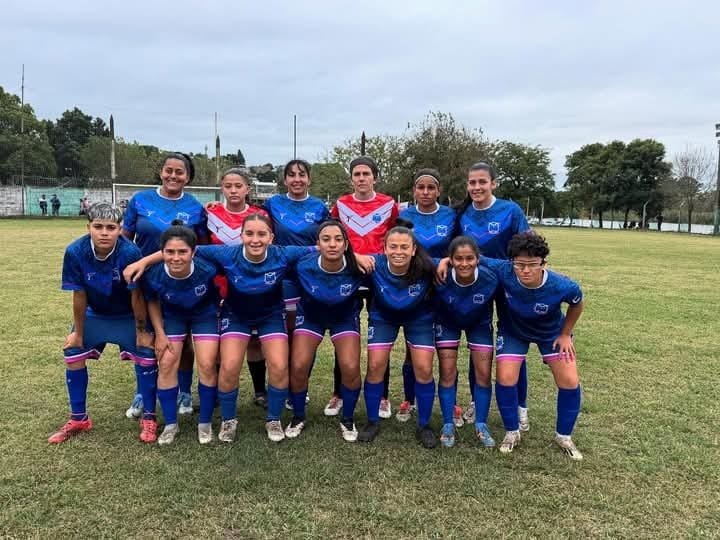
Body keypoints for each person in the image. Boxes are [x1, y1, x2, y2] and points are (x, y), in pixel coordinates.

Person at [199, 214, 315, 443]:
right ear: (241, 235)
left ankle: (274, 419)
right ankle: (228, 420)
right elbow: (184, 248)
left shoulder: (282, 253)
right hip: (236, 316)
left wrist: (358, 256)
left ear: (271, 237)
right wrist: (142, 262)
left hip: (270, 316)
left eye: (262, 234)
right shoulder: (227, 253)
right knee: (229, 366)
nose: (255, 239)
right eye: (249, 233)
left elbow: (322, 248)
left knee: (279, 365)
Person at [48, 203, 157, 444]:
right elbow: (79, 294)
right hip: (95, 313)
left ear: (120, 229)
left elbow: (137, 295)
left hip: (126, 315)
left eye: (111, 227)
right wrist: (77, 332)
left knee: (147, 353)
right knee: (73, 352)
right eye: (98, 227)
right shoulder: (75, 251)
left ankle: (149, 417)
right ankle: (79, 418)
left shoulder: (130, 252)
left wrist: (142, 331)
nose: (104, 233)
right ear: (88, 227)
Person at [483, 232, 585, 459]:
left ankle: (564, 436)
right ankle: (512, 432)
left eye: (532, 265)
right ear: (512, 262)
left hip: (551, 334)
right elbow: (472, 256)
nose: (525, 270)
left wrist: (565, 334)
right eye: (520, 265)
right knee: (505, 377)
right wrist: (446, 260)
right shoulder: (504, 270)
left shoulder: (562, 285)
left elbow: (577, 303)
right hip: (513, 332)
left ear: (543, 263)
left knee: (569, 380)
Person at [122, 152, 207, 420]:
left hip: (180, 282)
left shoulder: (195, 207)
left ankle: (184, 391)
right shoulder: (140, 200)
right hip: (143, 280)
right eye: (168, 170)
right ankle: (142, 391)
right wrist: (129, 269)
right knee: (145, 336)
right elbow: (125, 239)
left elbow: (198, 247)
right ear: (161, 172)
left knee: (182, 339)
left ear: (188, 177)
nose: (173, 175)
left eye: (179, 172)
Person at [455, 161, 531, 430]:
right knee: (479, 345)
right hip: (476, 287)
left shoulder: (510, 210)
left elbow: (527, 246)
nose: (477, 187)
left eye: (482, 182)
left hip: (510, 286)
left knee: (513, 346)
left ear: (493, 183)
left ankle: (521, 407)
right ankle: (477, 401)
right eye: (472, 182)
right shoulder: (462, 214)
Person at [329, 156, 399, 419]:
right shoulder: (340, 205)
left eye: (366, 174)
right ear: (351, 178)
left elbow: (395, 237)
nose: (361, 178)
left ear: (374, 177)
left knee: (381, 335)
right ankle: (338, 393)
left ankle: (382, 396)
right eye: (356, 174)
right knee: (343, 333)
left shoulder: (389, 204)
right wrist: (354, 256)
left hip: (379, 275)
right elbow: (333, 235)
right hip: (348, 274)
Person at [140, 222, 221, 445]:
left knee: (207, 364)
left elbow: (223, 289)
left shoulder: (208, 269)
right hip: (173, 318)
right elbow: (152, 302)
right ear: (162, 252)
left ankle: (205, 423)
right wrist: (160, 333)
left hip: (204, 315)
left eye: (182, 252)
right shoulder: (154, 274)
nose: (176, 258)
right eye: (170, 252)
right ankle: (170, 424)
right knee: (166, 363)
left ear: (193, 252)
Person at [358, 226, 437, 448]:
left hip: (419, 319)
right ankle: (372, 421)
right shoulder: (374, 264)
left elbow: (453, 261)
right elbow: (342, 256)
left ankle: (424, 425)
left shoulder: (427, 266)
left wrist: (447, 261)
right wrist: (356, 255)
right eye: (393, 246)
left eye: (404, 247)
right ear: (384, 248)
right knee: (375, 365)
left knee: (424, 368)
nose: (398, 252)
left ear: (414, 250)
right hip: (383, 318)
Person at [286, 220, 364, 442]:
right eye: (326, 239)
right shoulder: (302, 265)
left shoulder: (358, 267)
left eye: (338, 239)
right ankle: (298, 416)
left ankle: (347, 418)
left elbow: (391, 264)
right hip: (311, 319)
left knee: (350, 366)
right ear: (317, 244)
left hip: (344, 319)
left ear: (346, 245)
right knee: (298, 365)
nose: (332, 244)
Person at [263, 160, 330, 410]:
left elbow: (329, 237)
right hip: (281, 277)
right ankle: (280, 386)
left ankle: (300, 388)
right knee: (282, 334)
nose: (297, 179)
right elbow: (250, 217)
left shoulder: (320, 207)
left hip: (310, 278)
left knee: (303, 335)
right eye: (291, 175)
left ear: (309, 179)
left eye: (302, 175)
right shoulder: (273, 204)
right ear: (285, 180)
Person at [396, 168, 458, 426]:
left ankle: (451, 402)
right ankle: (409, 400)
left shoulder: (451, 215)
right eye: (420, 187)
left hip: (443, 287)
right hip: (414, 288)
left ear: (438, 190)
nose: (425, 192)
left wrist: (446, 259)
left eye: (431, 187)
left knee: (446, 348)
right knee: (413, 347)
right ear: (414, 190)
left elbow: (460, 246)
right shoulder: (404, 216)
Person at [206, 168, 269, 407]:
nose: (233, 190)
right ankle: (217, 393)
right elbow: (201, 245)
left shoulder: (260, 215)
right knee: (217, 340)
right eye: (228, 186)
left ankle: (260, 391)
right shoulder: (210, 213)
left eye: (238, 186)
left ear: (247, 189)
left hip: (252, 286)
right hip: (217, 286)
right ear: (221, 188)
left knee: (254, 340)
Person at [434, 236, 499, 448]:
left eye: (469, 258)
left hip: (479, 325)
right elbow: (417, 260)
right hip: (447, 324)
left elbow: (510, 267)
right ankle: (447, 424)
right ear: (450, 259)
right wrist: (441, 262)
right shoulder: (440, 274)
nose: (464, 263)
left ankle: (481, 424)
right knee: (447, 372)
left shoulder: (490, 277)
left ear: (477, 259)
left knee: (483, 374)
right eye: (458, 259)